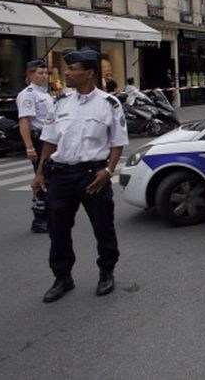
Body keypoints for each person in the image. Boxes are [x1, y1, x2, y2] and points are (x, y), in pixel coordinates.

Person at [31, 49, 128, 303]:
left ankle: (106, 271)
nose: (67, 72)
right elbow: (49, 141)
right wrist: (40, 172)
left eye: (73, 69)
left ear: (89, 73)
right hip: (61, 176)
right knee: (58, 229)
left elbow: (118, 143)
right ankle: (62, 277)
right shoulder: (61, 102)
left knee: (103, 226)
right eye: (68, 68)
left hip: (92, 175)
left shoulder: (109, 104)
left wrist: (108, 171)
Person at [16, 59, 54, 233]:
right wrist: (29, 147)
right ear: (30, 74)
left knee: (51, 177)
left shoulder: (44, 93)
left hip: (49, 140)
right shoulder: (29, 94)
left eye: (45, 73)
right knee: (42, 177)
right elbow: (25, 121)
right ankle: (40, 218)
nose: (44, 76)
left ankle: (49, 212)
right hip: (39, 140)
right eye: (40, 73)